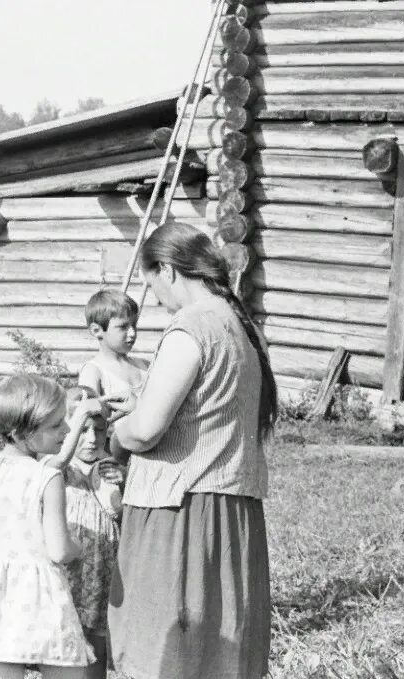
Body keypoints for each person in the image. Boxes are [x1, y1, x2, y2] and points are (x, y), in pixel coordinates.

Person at [106, 222, 277, 679]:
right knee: (216, 657)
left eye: (153, 287)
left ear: (167, 269)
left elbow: (145, 432)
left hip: (182, 514)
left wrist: (117, 434)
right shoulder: (241, 326)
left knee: (167, 653)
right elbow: (209, 408)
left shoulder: (191, 327)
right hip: (232, 512)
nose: (157, 301)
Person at [0, 374, 104, 679]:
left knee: (3, 668)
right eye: (55, 425)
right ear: (21, 432)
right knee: (66, 667)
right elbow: (60, 550)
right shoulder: (46, 479)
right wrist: (76, 543)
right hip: (39, 598)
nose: (66, 429)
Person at [42, 385, 124, 679]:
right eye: (83, 429)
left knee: (96, 638)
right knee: (65, 637)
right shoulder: (57, 468)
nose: (91, 439)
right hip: (69, 568)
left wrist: (123, 481)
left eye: (99, 430)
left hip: (102, 570)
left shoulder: (111, 466)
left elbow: (120, 512)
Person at [77, 289, 150, 399]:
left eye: (134, 325)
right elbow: (88, 411)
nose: (132, 333)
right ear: (97, 330)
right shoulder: (94, 371)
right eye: (123, 327)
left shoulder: (145, 366)